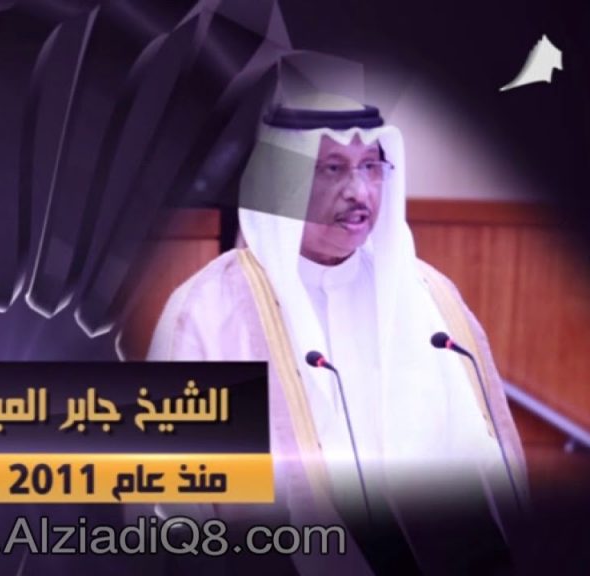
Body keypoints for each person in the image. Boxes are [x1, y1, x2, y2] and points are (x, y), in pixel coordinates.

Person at [147, 59, 528, 574]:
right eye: (332, 169)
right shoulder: (209, 313)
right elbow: (176, 498)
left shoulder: (428, 298)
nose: (359, 192)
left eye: (371, 166)